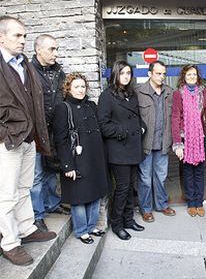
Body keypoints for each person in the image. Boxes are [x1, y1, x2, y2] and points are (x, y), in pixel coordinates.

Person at [0, 16, 57, 266]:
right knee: (7, 194)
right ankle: (10, 243)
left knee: (24, 189)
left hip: (28, 138)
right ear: (1, 37)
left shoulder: (24, 64)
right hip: (8, 140)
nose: (23, 40)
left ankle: (26, 229)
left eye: (24, 35)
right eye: (17, 36)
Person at [53, 73, 108, 244]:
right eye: (76, 87)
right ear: (68, 88)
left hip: (95, 157)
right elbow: (60, 140)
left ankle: (91, 226)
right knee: (79, 197)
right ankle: (81, 230)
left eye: (83, 86)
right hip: (76, 159)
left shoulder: (91, 105)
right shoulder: (63, 108)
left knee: (94, 193)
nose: (80, 90)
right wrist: (67, 166)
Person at [98, 61, 145, 240]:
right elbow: (103, 125)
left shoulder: (131, 94)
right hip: (119, 150)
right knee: (122, 188)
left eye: (128, 73)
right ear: (116, 74)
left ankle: (128, 219)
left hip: (133, 147)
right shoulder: (107, 96)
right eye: (123, 73)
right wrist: (124, 131)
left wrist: (142, 127)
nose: (126, 76)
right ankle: (117, 224)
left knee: (131, 187)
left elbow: (137, 117)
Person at [30, 34, 69, 233]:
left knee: (52, 171)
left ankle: (52, 204)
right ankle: (37, 215)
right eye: (51, 49)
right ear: (39, 50)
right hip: (36, 132)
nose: (56, 53)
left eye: (56, 49)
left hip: (55, 132)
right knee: (36, 176)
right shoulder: (28, 71)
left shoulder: (58, 72)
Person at [171, 64, 206, 217]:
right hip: (185, 138)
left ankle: (199, 202)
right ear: (184, 77)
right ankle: (191, 202)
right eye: (189, 75)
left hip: (201, 138)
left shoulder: (205, 94)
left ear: (198, 76)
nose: (192, 77)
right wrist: (177, 144)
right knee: (187, 172)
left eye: (194, 74)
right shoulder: (178, 94)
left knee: (199, 171)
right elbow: (175, 118)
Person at [136, 61, 176, 223]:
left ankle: (161, 204)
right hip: (145, 143)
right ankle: (145, 209)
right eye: (158, 73)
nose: (162, 77)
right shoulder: (139, 93)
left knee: (161, 176)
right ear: (149, 74)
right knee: (145, 178)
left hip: (163, 142)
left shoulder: (169, 92)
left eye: (164, 74)